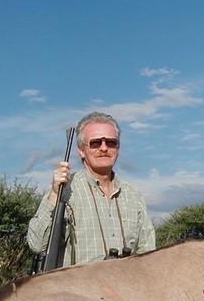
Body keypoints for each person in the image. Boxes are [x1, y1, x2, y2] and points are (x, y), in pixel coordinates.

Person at [27, 112, 155, 266]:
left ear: (118, 148)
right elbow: (37, 244)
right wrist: (54, 195)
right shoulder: (63, 190)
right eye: (95, 143)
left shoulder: (134, 196)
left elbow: (148, 256)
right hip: (75, 288)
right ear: (81, 150)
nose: (103, 148)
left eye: (111, 142)